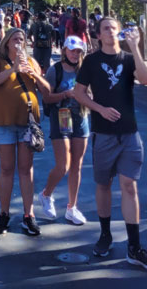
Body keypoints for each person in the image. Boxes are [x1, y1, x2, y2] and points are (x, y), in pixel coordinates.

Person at [74, 17, 147, 271]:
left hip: (130, 133)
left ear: (120, 32)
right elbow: (79, 93)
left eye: (114, 28)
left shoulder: (128, 58)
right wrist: (99, 109)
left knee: (129, 186)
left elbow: (145, 80)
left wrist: (135, 47)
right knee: (104, 185)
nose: (111, 32)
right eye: (106, 29)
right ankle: (105, 234)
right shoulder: (91, 61)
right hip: (103, 134)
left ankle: (134, 246)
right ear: (98, 35)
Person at [0, 27, 52, 236]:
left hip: (28, 123)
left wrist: (34, 74)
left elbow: (46, 90)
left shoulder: (31, 62)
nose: (18, 43)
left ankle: (28, 215)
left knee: (26, 169)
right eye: (15, 39)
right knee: (7, 169)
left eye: (22, 39)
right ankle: (4, 214)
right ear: (7, 43)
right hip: (4, 123)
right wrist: (14, 69)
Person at [39, 36, 91, 226]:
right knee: (64, 165)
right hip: (62, 116)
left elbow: (92, 94)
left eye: (78, 51)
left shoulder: (85, 70)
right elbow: (47, 98)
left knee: (77, 165)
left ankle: (72, 207)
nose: (75, 54)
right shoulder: (56, 70)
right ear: (65, 51)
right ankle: (46, 194)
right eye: (72, 51)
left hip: (82, 117)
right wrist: (65, 94)